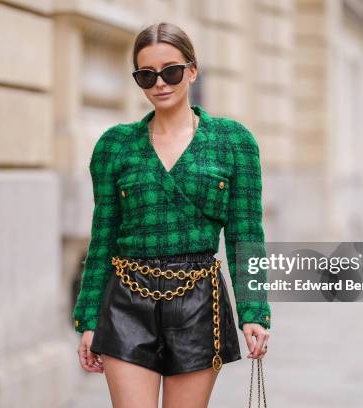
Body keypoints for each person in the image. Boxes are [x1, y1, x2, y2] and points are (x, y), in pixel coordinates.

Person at [73, 21, 271, 407]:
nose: (160, 83)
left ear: (192, 71)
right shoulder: (115, 146)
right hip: (127, 299)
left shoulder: (233, 143)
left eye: (171, 71)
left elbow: (246, 235)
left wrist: (254, 312)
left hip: (198, 302)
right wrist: (88, 318)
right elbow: (102, 238)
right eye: (147, 75)